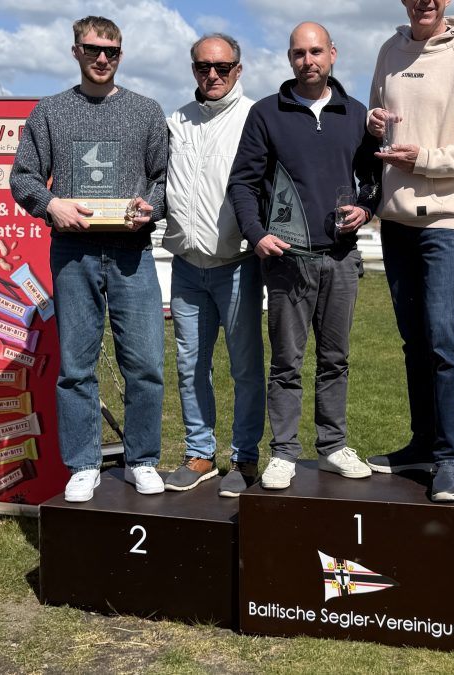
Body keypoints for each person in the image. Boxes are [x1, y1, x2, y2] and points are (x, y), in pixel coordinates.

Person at [10, 16, 168, 502]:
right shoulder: (51, 112)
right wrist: (52, 204)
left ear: (121, 54)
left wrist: (150, 209)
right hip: (73, 254)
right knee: (76, 367)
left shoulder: (146, 111)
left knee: (144, 364)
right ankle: (83, 463)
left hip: (131, 254)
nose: (103, 59)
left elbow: (164, 181)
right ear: (75, 51)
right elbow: (23, 178)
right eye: (93, 49)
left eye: (112, 51)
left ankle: (142, 458)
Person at [227, 22, 381, 490]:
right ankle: (285, 453)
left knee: (335, 359)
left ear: (333, 54)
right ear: (289, 58)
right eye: (298, 53)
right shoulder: (266, 113)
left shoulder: (356, 115)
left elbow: (373, 179)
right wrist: (256, 235)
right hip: (287, 259)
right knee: (286, 363)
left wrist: (366, 207)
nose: (307, 60)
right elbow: (243, 183)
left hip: (339, 258)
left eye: (316, 51)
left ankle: (333, 446)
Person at [365, 0, 454, 502]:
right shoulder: (388, 50)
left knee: (444, 340)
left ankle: (451, 458)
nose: (424, 1)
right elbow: (376, 124)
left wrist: (424, 159)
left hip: (447, 221)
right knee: (413, 341)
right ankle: (423, 443)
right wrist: (374, 124)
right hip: (396, 221)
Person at [160, 34, 264, 498]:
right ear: (193, 69)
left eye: (223, 67)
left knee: (245, 367)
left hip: (239, 263)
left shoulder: (256, 118)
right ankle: (199, 454)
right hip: (186, 265)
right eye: (204, 67)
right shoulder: (174, 122)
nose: (213, 75)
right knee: (190, 365)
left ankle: (244, 458)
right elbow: (155, 183)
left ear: (238, 69)